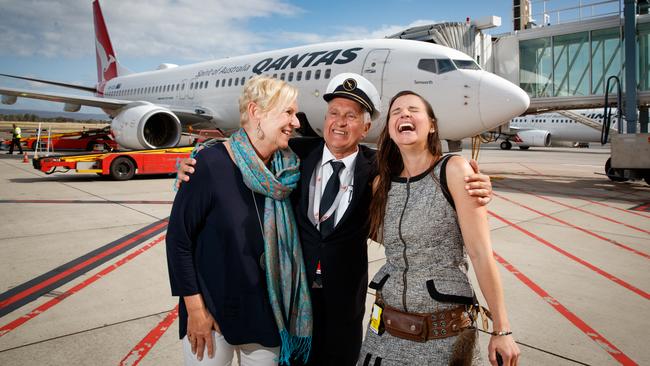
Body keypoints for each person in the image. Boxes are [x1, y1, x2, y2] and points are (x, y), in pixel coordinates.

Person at [176, 73, 494, 365]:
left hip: (343, 307)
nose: (340, 123)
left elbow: (424, 168)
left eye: (351, 116)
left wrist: (472, 179)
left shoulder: (378, 168)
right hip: (292, 302)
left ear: (365, 128)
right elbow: (245, 147)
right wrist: (194, 160)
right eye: (334, 113)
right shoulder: (296, 155)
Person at [359, 91, 519, 366]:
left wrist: (501, 329)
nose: (404, 115)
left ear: (431, 124)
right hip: (384, 332)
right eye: (396, 112)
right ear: (390, 129)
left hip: (442, 335)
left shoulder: (454, 170)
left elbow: (481, 254)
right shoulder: (381, 184)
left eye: (413, 110)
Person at [166, 75, 312, 366]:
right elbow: (179, 241)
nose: (297, 122)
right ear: (257, 112)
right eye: (288, 112)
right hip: (211, 315)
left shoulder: (290, 168)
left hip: (268, 316)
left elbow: (346, 151)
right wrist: (195, 311)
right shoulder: (210, 164)